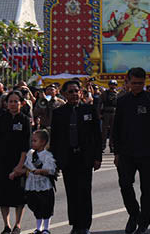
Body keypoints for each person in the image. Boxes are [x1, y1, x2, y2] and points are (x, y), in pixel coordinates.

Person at [112, 67, 150, 234]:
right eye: (134, 83)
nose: (137, 86)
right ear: (127, 82)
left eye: (140, 83)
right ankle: (134, 214)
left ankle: (144, 222)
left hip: (146, 152)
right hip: (126, 152)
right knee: (125, 184)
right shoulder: (122, 101)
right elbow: (116, 128)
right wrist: (116, 152)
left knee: (147, 188)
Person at [51, 79, 102, 234]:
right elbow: (56, 138)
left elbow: (97, 135)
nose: (74, 94)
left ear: (81, 92)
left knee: (84, 191)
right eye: (70, 91)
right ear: (65, 94)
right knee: (71, 192)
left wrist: (97, 157)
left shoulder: (89, 110)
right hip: (67, 158)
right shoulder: (59, 113)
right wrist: (55, 161)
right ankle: (75, 223)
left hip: (85, 157)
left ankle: (85, 225)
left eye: (76, 91)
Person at [0, 90, 32, 234]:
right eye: (10, 101)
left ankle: (17, 225)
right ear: (6, 103)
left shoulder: (25, 120)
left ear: (22, 103)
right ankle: (6, 225)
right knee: (2, 195)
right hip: (2, 161)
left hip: (18, 161)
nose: (13, 104)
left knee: (19, 196)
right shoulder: (0, 119)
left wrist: (20, 165)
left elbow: (27, 145)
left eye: (16, 101)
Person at [22, 129, 56, 234]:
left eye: (35, 141)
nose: (32, 143)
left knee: (46, 206)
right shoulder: (30, 154)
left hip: (44, 185)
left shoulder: (47, 155)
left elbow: (51, 169)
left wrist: (40, 171)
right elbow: (26, 166)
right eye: (32, 140)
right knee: (36, 206)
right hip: (32, 184)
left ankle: (46, 228)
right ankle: (38, 227)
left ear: (42, 142)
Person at [98, 79, 119, 151]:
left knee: (113, 131)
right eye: (111, 84)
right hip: (106, 113)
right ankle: (102, 145)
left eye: (114, 85)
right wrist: (99, 114)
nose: (112, 86)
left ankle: (112, 146)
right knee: (104, 131)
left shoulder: (117, 94)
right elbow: (99, 104)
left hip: (114, 113)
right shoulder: (104, 94)